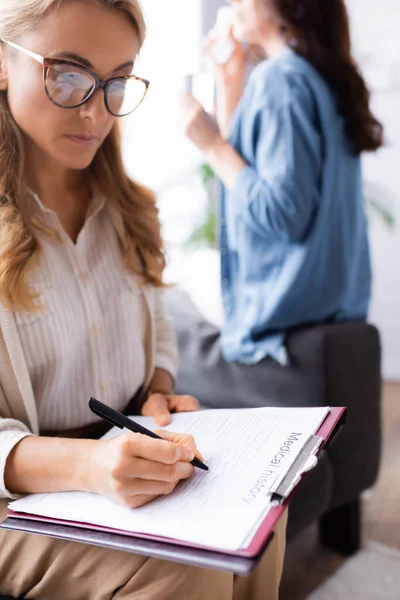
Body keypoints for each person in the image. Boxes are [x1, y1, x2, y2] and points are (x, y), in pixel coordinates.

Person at [0, 0, 287, 598]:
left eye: (117, 81)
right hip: (16, 495)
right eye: (68, 74)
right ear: (4, 61)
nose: (97, 109)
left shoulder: (127, 208)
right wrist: (86, 467)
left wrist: (158, 388)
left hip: (116, 454)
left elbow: (157, 316)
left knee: (261, 514)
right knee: (189, 564)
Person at [170, 0, 383, 406]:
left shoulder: (279, 81)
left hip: (283, 310)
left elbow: (281, 215)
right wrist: (229, 81)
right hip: (331, 302)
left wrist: (212, 146)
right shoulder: (321, 77)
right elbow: (255, 174)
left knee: (168, 303)